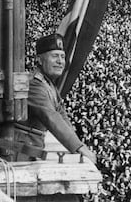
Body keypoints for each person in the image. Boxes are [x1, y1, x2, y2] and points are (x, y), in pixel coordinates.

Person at [13, 33, 96, 163]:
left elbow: (61, 114)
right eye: (55, 56)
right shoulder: (34, 84)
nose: (60, 61)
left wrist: (79, 144)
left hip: (30, 147)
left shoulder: (48, 83)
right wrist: (79, 148)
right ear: (39, 60)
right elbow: (51, 116)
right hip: (19, 151)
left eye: (62, 57)